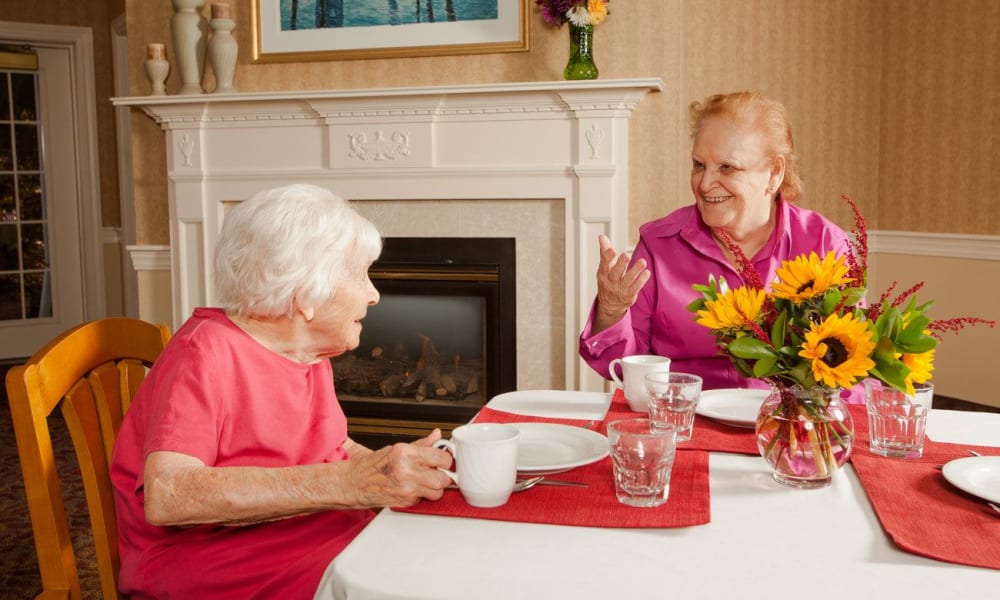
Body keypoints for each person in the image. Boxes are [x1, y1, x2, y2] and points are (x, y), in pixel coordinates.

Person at [110, 183, 454, 599]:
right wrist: (349, 484)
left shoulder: (307, 349)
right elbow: (170, 496)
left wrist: (394, 469)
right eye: (359, 275)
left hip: (303, 530)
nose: (374, 293)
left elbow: (333, 449)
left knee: (433, 554)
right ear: (305, 295)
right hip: (213, 560)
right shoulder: (203, 353)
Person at [579, 91, 853, 393]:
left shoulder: (826, 245)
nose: (705, 184)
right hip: (682, 419)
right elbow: (620, 367)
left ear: (774, 172)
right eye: (699, 165)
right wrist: (611, 311)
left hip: (783, 424)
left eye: (727, 167)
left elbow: (852, 371)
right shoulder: (660, 244)